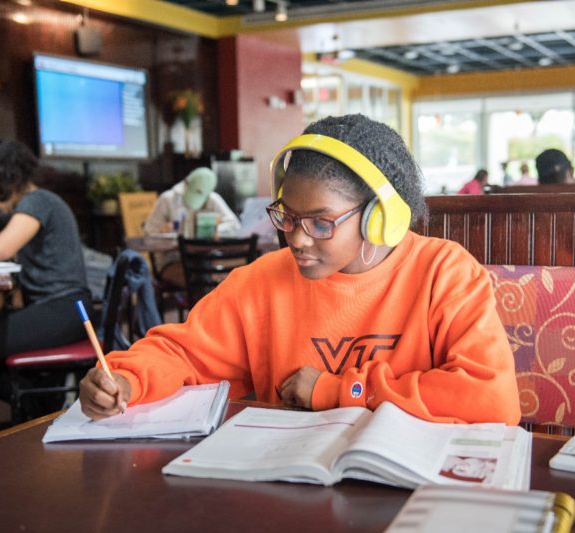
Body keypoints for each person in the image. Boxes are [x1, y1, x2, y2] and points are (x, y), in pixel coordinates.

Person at [79, 114, 521, 426]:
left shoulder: (444, 272)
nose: (297, 238)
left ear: (379, 217)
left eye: (320, 222)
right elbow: (184, 353)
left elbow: (491, 397)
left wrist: (337, 391)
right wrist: (126, 379)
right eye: (287, 216)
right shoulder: (262, 281)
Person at [0, 140, 92, 405]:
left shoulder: (36, 201)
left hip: (63, 309)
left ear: (5, 181)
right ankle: (40, 398)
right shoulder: (42, 201)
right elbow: (6, 249)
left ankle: (37, 405)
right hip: (66, 309)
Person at [143, 167, 241, 286]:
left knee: (218, 276)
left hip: (207, 259)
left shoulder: (212, 198)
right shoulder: (168, 199)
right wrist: (169, 235)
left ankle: (207, 301)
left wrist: (213, 229)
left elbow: (234, 225)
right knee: (200, 278)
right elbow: (149, 233)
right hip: (173, 261)